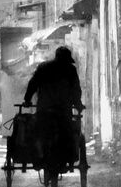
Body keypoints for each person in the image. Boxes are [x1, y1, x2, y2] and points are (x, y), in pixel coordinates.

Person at [24, 46, 85, 178]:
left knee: (36, 133)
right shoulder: (70, 69)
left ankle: (38, 158)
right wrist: (78, 104)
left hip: (43, 111)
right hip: (63, 112)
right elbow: (76, 90)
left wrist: (27, 99)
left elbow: (33, 84)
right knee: (69, 134)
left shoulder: (43, 67)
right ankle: (66, 158)